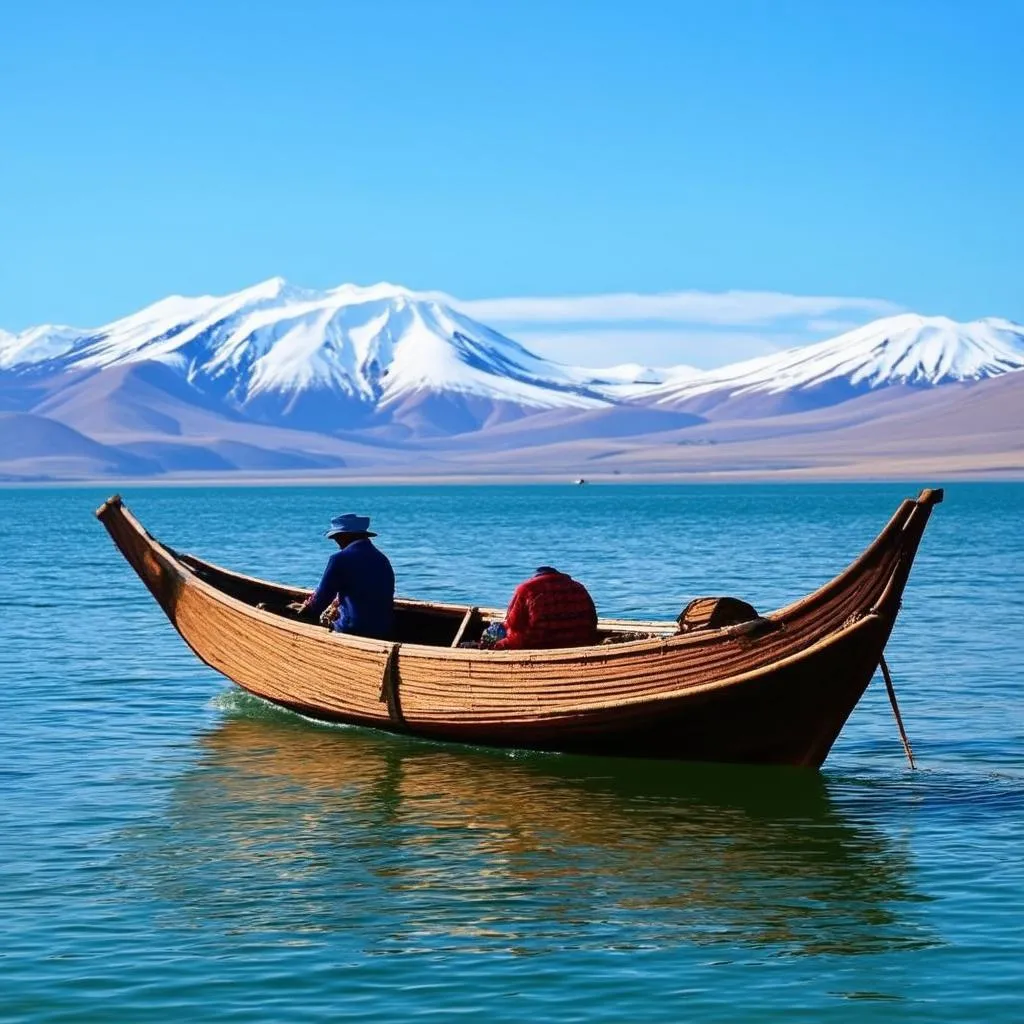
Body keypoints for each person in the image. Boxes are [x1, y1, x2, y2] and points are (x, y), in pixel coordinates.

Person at [288, 513, 395, 640]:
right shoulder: (382, 559)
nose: (336, 541)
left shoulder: (339, 559)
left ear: (347, 536)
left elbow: (322, 599)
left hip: (353, 630)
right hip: (383, 630)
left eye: (337, 537)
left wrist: (305, 609)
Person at [492, 566, 598, 650]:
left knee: (495, 633)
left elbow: (513, 624)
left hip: (538, 645)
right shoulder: (578, 587)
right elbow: (593, 620)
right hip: (580, 643)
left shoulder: (526, 589)